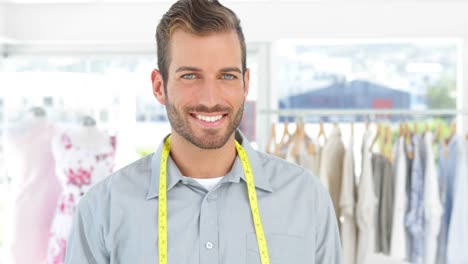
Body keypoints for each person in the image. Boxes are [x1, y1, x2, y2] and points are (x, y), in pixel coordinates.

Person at [65, 0, 342, 263]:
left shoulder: (307, 198)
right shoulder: (102, 210)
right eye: (189, 76)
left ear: (245, 84)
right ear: (159, 86)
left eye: (227, 76)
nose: (210, 99)